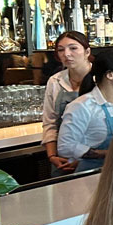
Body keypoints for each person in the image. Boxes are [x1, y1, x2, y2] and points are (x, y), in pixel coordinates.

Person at [57, 48, 113, 173]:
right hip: (90, 175)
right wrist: (106, 153)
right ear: (110, 75)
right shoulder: (82, 106)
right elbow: (65, 146)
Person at [42, 30, 91, 174]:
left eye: (73, 48)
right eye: (61, 50)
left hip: (94, 160)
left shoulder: (102, 78)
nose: (66, 54)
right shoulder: (55, 81)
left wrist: (86, 158)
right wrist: (52, 156)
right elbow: (50, 123)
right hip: (62, 160)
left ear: (87, 52)